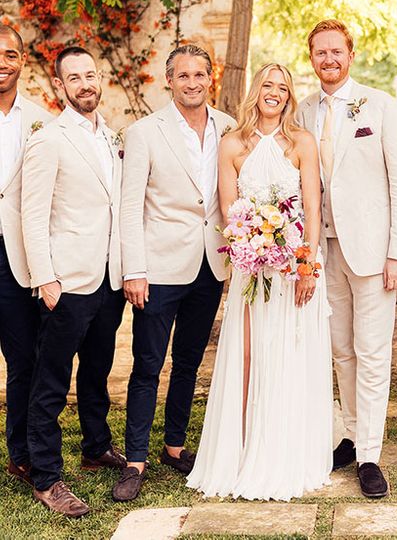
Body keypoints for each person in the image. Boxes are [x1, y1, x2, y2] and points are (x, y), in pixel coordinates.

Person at [187, 63, 333, 500]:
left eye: (282, 87)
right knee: (249, 355)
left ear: (290, 96)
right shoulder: (233, 143)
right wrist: (248, 247)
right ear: (256, 91)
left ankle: (287, 448)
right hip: (252, 269)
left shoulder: (302, 142)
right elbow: (230, 213)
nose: (274, 93)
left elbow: (312, 209)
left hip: (294, 270)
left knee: (290, 353)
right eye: (267, 85)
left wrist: (307, 265)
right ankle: (246, 446)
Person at [296, 20, 397, 498]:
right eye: (320, 52)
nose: (329, 59)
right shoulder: (302, 111)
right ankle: (349, 434)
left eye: (336, 51)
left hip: (373, 252)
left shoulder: (381, 105)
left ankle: (370, 453)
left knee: (372, 354)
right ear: (312, 59)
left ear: (350, 54)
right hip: (322, 251)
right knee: (340, 351)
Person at [112, 45, 236, 502]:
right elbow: (130, 205)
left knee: (188, 361)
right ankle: (135, 460)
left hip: (211, 262)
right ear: (170, 81)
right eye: (183, 75)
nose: (192, 82)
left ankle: (174, 445)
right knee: (147, 364)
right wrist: (135, 270)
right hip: (159, 268)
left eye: (200, 74)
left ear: (210, 78)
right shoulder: (143, 132)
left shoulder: (228, 127)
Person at [22, 46, 126, 517]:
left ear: (99, 78)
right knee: (50, 380)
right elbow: (33, 213)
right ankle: (45, 476)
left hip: (108, 280)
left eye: (91, 74)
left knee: (97, 370)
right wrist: (46, 278)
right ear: (60, 86)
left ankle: (95, 446)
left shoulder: (110, 135)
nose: (85, 84)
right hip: (66, 281)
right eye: (74, 78)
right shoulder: (49, 138)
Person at [0, 25, 54, 486]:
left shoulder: (41, 119)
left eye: (10, 54)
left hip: (15, 255)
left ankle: (21, 452)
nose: (2, 61)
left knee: (24, 359)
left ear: (23, 61)